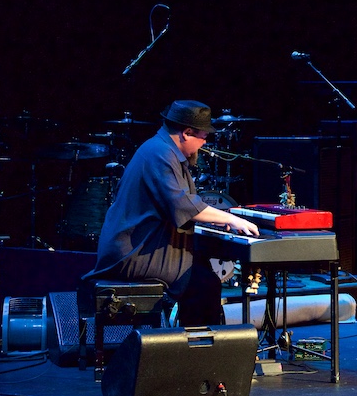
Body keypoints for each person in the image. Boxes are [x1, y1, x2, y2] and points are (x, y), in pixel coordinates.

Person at [83, 100, 259, 326]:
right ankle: (194, 351)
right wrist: (232, 219)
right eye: (203, 137)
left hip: (145, 246)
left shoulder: (161, 149)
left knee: (203, 273)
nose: (204, 144)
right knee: (204, 284)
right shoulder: (159, 153)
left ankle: (195, 347)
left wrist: (217, 221)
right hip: (136, 253)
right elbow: (182, 205)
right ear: (187, 133)